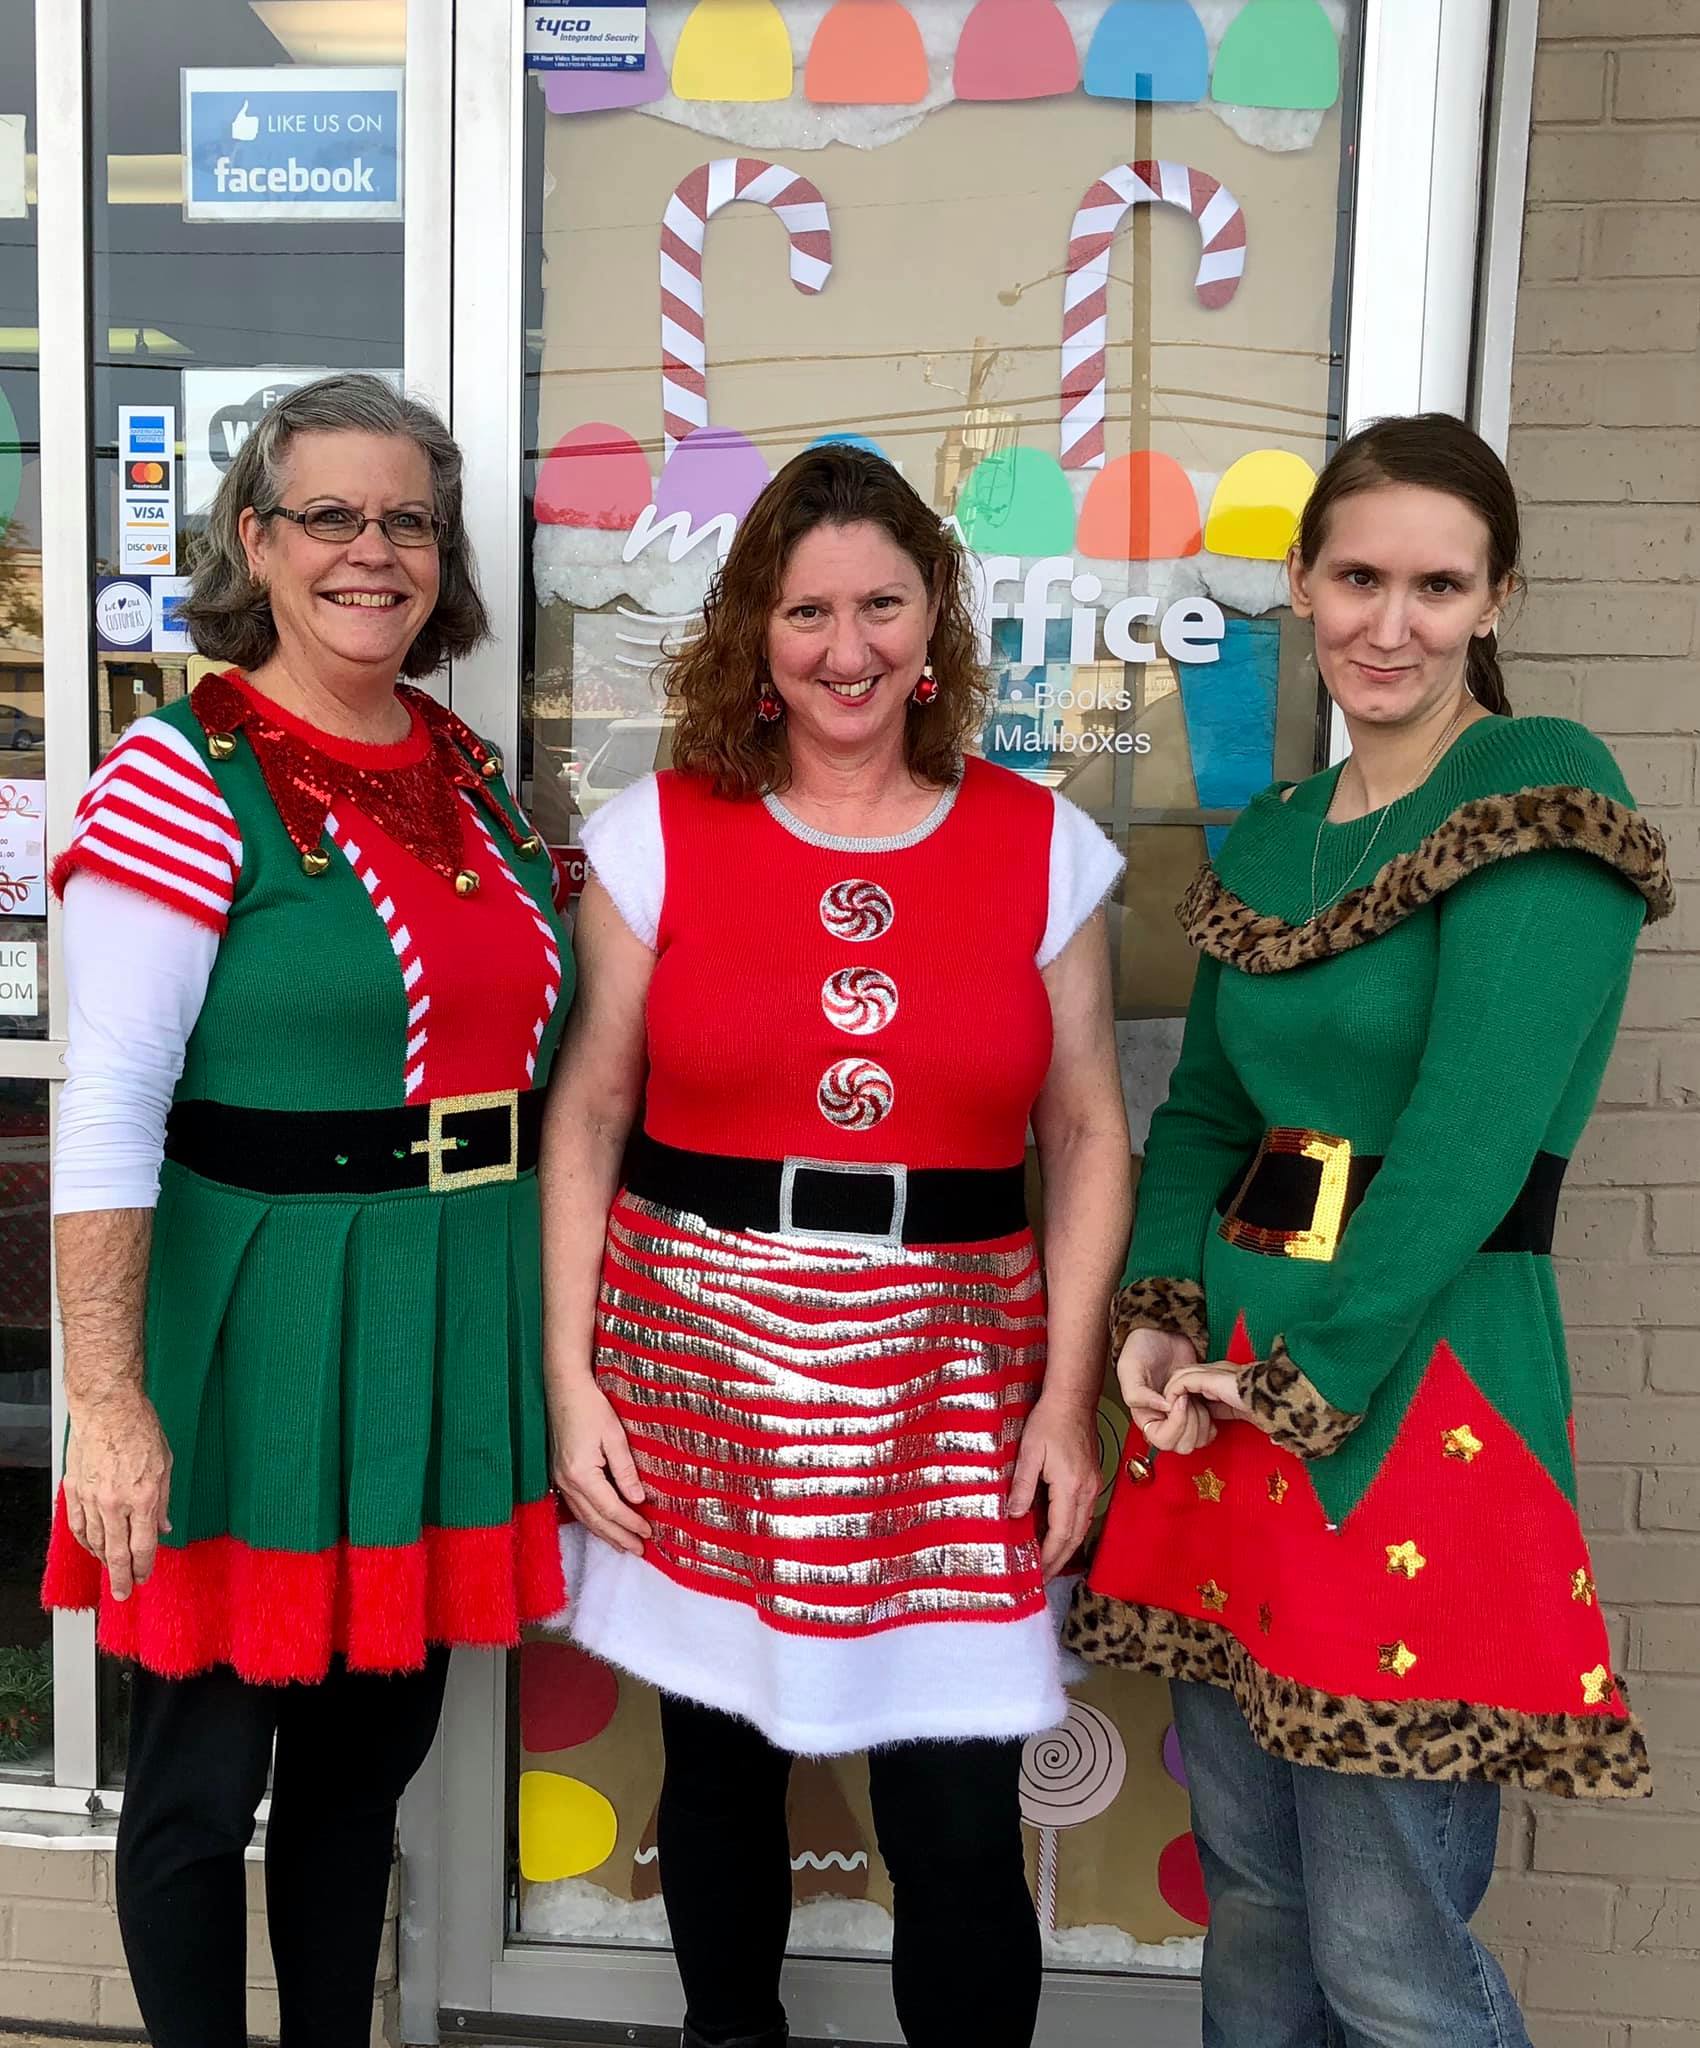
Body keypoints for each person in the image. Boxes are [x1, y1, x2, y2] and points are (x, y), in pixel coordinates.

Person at [1066, 413, 1673, 2048]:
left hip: (1417, 1386)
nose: (1388, 624)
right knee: (1258, 1904)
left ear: (1496, 598)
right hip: (1228, 1397)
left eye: (1436, 586)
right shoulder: (1277, 831)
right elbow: (1206, 1111)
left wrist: (1308, 1375)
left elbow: (1470, 1146)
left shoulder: (1538, 789)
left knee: (1392, 1954)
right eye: (1357, 579)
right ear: (1302, 582)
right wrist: (1161, 1314)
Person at [542, 443, 1131, 2048]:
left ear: (934, 618)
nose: (846, 647)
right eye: (808, 611)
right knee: (719, 1771)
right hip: (699, 1353)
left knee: (956, 1820)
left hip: (953, 1370)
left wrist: (1066, 1401)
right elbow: (590, 1113)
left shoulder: (1043, 846)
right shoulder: (656, 836)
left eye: (881, 604)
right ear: (756, 628)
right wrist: (574, 1385)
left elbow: (1088, 1133)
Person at [40, 373, 571, 2048]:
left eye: (408, 519)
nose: (373, 551)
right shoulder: (177, 776)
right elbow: (109, 1105)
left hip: (440, 1313)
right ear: (255, 542)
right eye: (330, 516)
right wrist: (107, 1397)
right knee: (204, 1781)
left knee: (365, 1768)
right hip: (254, 1321)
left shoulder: (471, 772)